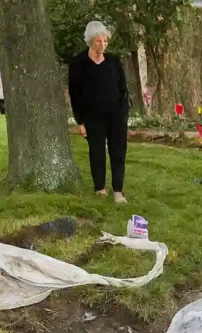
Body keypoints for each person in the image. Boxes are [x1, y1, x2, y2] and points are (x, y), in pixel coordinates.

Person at [68, 21, 130, 203]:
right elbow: (74, 93)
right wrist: (80, 122)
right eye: (98, 41)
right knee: (97, 152)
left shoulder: (113, 61)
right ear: (90, 41)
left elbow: (123, 88)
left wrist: (123, 112)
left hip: (116, 115)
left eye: (105, 41)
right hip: (92, 117)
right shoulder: (79, 63)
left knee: (118, 151)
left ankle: (118, 190)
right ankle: (100, 188)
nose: (103, 45)